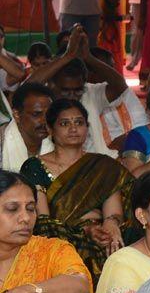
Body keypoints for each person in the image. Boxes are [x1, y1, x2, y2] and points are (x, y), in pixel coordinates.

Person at [22, 98, 134, 281]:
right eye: (65, 123)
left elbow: (113, 212)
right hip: (60, 237)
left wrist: (111, 224)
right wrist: (85, 231)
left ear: (87, 128)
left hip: (102, 235)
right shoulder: (35, 166)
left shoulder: (103, 165)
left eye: (79, 123)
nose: (73, 128)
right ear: (50, 130)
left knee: (123, 239)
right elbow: (44, 221)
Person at [30, 27, 147, 160]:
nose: (72, 96)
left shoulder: (90, 93)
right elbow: (27, 88)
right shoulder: (45, 99)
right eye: (65, 91)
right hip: (54, 164)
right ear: (51, 85)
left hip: (94, 162)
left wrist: (88, 57)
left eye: (77, 90)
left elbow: (119, 85)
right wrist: (67, 56)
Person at [0, 82, 52, 172]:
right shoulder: (2, 141)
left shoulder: (59, 140)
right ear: (17, 115)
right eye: (36, 114)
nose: (45, 121)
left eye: (49, 114)